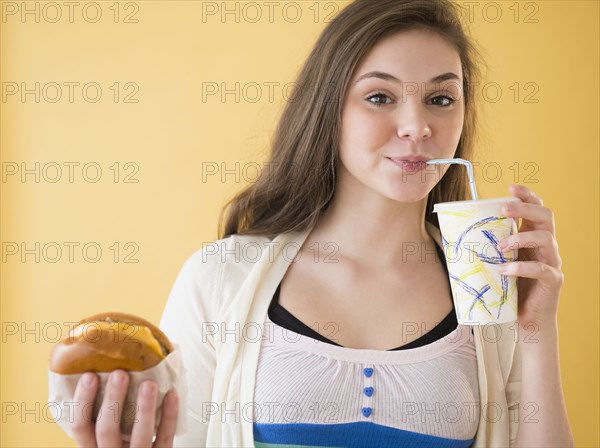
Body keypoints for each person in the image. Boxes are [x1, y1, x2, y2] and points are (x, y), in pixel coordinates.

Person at [67, 0, 574, 446]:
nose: (418, 126)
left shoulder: (489, 293)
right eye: (380, 97)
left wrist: (537, 331)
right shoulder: (221, 277)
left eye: (441, 98)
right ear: (328, 110)